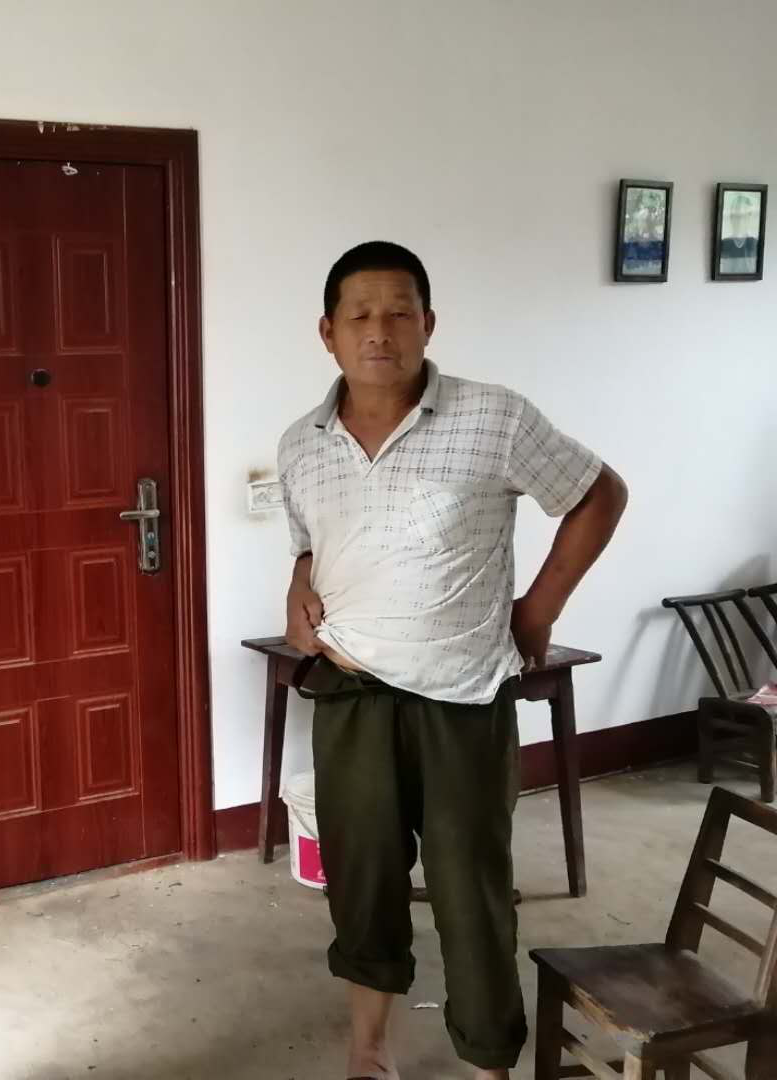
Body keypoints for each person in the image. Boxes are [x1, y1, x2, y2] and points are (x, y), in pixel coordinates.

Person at [278, 241, 627, 1080]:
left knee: (472, 894)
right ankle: (369, 1050)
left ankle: (488, 1060)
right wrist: (296, 587)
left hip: (461, 700)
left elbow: (597, 494)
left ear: (428, 323)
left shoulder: (493, 417)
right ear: (328, 332)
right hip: (351, 696)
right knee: (362, 883)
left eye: (399, 312)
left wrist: (538, 610)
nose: (380, 331)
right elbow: (310, 544)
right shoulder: (302, 444)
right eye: (360, 315)